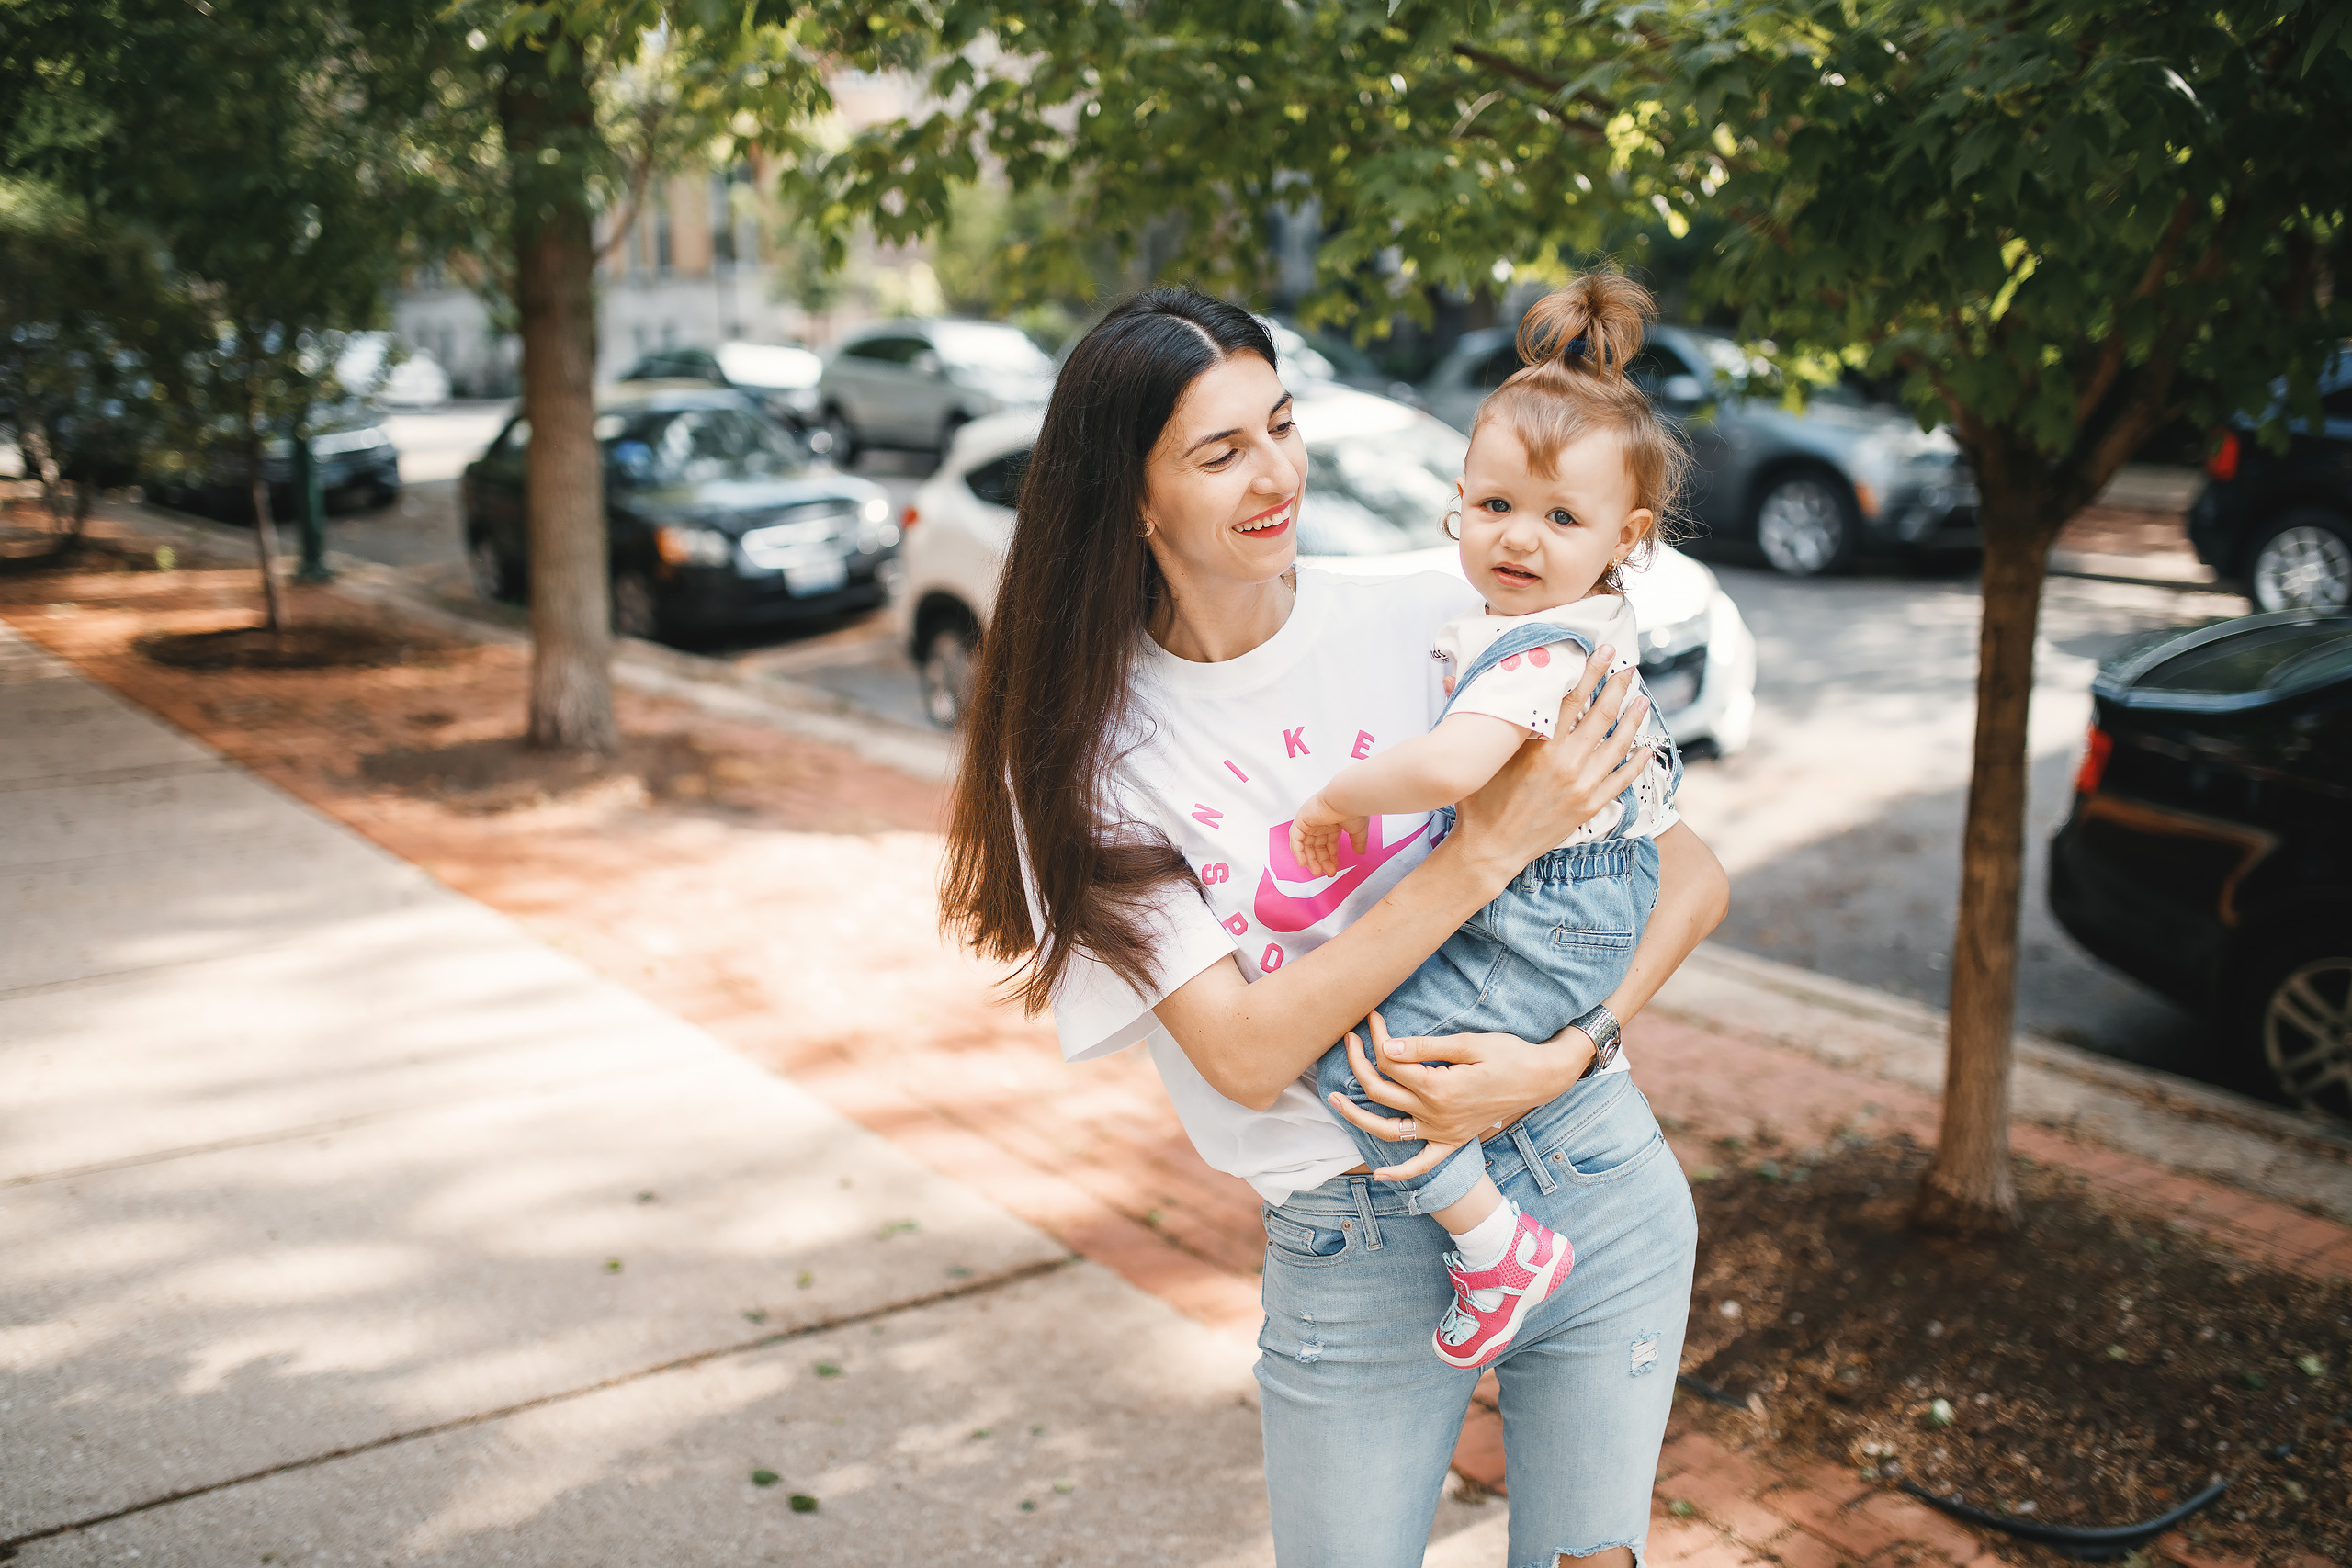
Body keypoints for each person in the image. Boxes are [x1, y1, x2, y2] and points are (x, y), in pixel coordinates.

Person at [941, 283, 1727, 1568]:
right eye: (1220, 449)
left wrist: (1571, 1050)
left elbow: (1687, 877)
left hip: (1585, 1159)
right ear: (1131, 500)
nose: (1277, 473)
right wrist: (1479, 854)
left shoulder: (1447, 609)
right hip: (1355, 1234)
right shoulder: (1092, 762)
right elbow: (1244, 1055)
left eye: (1282, 424)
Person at [1286, 274, 1689, 1371]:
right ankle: (1495, 1216)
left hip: (1553, 913)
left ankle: (1498, 1246)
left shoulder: (1541, 647)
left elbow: (1456, 764)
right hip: (1584, 901)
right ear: (1456, 498)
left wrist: (1335, 797)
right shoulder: (1579, 622)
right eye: (1496, 505)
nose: (1518, 540)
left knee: (1355, 1070)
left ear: (1626, 535)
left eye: (1562, 519)